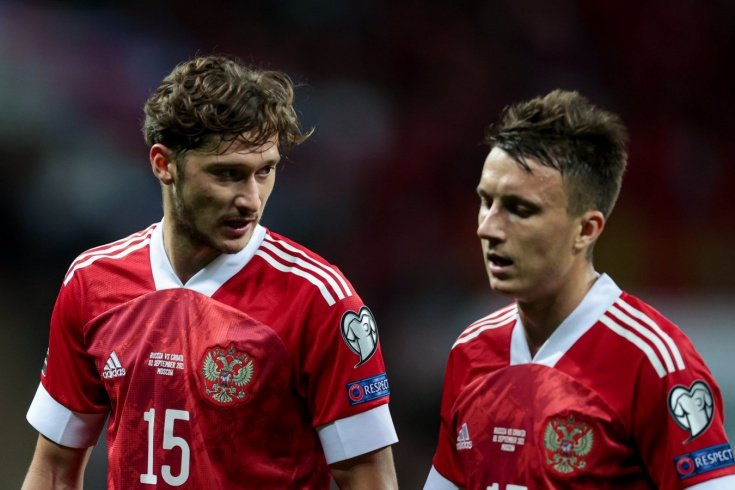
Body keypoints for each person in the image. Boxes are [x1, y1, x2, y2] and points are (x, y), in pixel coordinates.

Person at [23, 54, 398, 489]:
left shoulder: (320, 300)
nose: (251, 200)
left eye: (265, 171)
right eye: (228, 174)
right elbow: (53, 470)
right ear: (164, 164)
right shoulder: (93, 282)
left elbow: (369, 479)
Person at [424, 90, 735, 489]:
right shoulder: (471, 352)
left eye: (520, 209)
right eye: (486, 202)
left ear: (586, 229)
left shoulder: (655, 364)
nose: (488, 228)